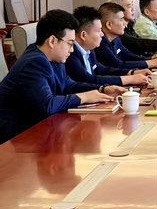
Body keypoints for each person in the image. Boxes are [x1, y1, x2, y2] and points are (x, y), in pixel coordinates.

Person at [0, 10, 116, 144]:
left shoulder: (53, 58)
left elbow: (69, 85)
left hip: (39, 129)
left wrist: (103, 89)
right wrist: (84, 97)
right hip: (14, 138)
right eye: (70, 43)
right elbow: (47, 105)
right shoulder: (34, 62)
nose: (72, 50)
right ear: (52, 41)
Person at [66, 6, 151, 86]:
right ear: (83, 35)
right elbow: (88, 79)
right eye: (99, 31)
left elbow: (102, 69)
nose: (102, 34)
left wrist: (132, 72)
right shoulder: (71, 54)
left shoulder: (89, 49)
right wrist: (129, 79)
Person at [96, 2, 157, 70]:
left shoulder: (116, 38)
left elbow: (127, 55)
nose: (124, 23)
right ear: (109, 24)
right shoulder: (100, 43)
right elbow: (117, 65)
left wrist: (151, 58)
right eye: (121, 19)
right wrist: (153, 62)